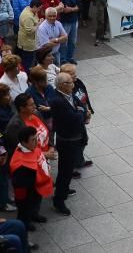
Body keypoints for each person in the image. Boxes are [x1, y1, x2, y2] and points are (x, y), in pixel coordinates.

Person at [50, 72, 89, 216]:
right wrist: (81, 113)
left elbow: (80, 106)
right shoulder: (58, 101)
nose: (73, 85)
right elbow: (74, 118)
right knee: (65, 171)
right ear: (61, 85)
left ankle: (64, 189)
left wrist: (82, 111)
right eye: (70, 83)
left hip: (73, 137)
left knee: (68, 168)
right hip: (67, 141)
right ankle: (58, 200)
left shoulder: (68, 94)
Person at [9, 126, 53, 231]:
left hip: (36, 188)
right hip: (26, 193)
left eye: (36, 138)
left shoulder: (30, 148)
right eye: (33, 140)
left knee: (35, 204)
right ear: (24, 142)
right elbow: (19, 183)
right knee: (25, 211)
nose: (37, 142)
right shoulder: (20, 163)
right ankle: (25, 224)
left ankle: (34, 215)